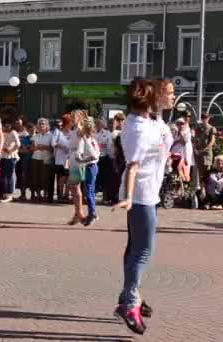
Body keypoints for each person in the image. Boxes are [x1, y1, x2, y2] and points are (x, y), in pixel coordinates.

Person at [113, 79, 171, 335]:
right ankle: (130, 303)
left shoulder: (150, 122)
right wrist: (128, 196)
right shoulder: (137, 128)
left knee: (134, 249)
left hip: (150, 193)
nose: (168, 97)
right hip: (140, 196)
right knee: (143, 251)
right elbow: (132, 165)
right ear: (149, 100)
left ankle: (129, 296)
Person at [67, 110, 88, 225]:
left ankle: (80, 213)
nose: (72, 118)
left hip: (78, 160)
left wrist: (83, 125)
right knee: (73, 187)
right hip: (72, 159)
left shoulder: (79, 130)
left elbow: (84, 134)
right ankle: (77, 213)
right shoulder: (73, 130)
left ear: (79, 118)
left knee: (75, 187)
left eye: (74, 117)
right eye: (71, 116)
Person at [78, 117, 100, 226]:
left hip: (90, 167)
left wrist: (83, 160)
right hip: (91, 167)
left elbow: (95, 156)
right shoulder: (92, 140)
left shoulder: (88, 140)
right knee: (89, 191)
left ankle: (92, 214)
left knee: (88, 191)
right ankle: (93, 212)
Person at [194, 113, 217, 200]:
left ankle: (207, 191)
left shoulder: (211, 128)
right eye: (203, 117)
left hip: (207, 154)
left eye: (206, 118)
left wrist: (205, 149)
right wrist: (196, 147)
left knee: (206, 172)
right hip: (199, 153)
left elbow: (212, 141)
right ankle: (202, 191)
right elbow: (196, 138)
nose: (204, 119)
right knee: (200, 173)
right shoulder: (199, 128)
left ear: (208, 119)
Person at [0, 118, 20, 203]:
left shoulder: (13, 132)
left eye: (8, 124)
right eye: (5, 124)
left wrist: (11, 150)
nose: (7, 126)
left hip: (11, 157)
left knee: (9, 176)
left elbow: (18, 144)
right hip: (3, 156)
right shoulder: (3, 133)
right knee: (3, 175)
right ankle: (4, 194)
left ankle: (9, 194)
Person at [30, 118, 53, 202]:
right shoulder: (35, 135)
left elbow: (52, 148)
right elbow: (31, 148)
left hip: (46, 159)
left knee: (45, 178)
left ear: (47, 125)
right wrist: (37, 147)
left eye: (43, 124)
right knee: (36, 178)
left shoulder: (51, 135)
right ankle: (38, 195)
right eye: (39, 124)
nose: (41, 125)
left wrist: (44, 147)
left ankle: (45, 195)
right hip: (35, 158)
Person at [53, 114, 72, 203]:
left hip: (70, 160)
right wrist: (60, 146)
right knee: (61, 178)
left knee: (69, 178)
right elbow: (53, 143)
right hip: (60, 160)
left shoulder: (73, 133)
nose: (71, 124)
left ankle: (66, 195)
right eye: (70, 122)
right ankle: (60, 196)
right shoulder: (58, 132)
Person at [109, 113, 126, 205]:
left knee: (120, 177)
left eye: (120, 120)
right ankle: (116, 197)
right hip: (117, 157)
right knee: (116, 178)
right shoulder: (116, 132)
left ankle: (119, 197)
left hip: (121, 157)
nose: (120, 122)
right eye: (118, 120)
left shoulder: (123, 132)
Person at [95, 118, 113, 204]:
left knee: (105, 179)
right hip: (94, 159)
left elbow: (109, 146)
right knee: (95, 179)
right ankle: (93, 197)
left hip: (104, 159)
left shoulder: (107, 134)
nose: (97, 124)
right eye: (96, 123)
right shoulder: (92, 133)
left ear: (102, 124)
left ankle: (104, 198)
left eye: (99, 123)